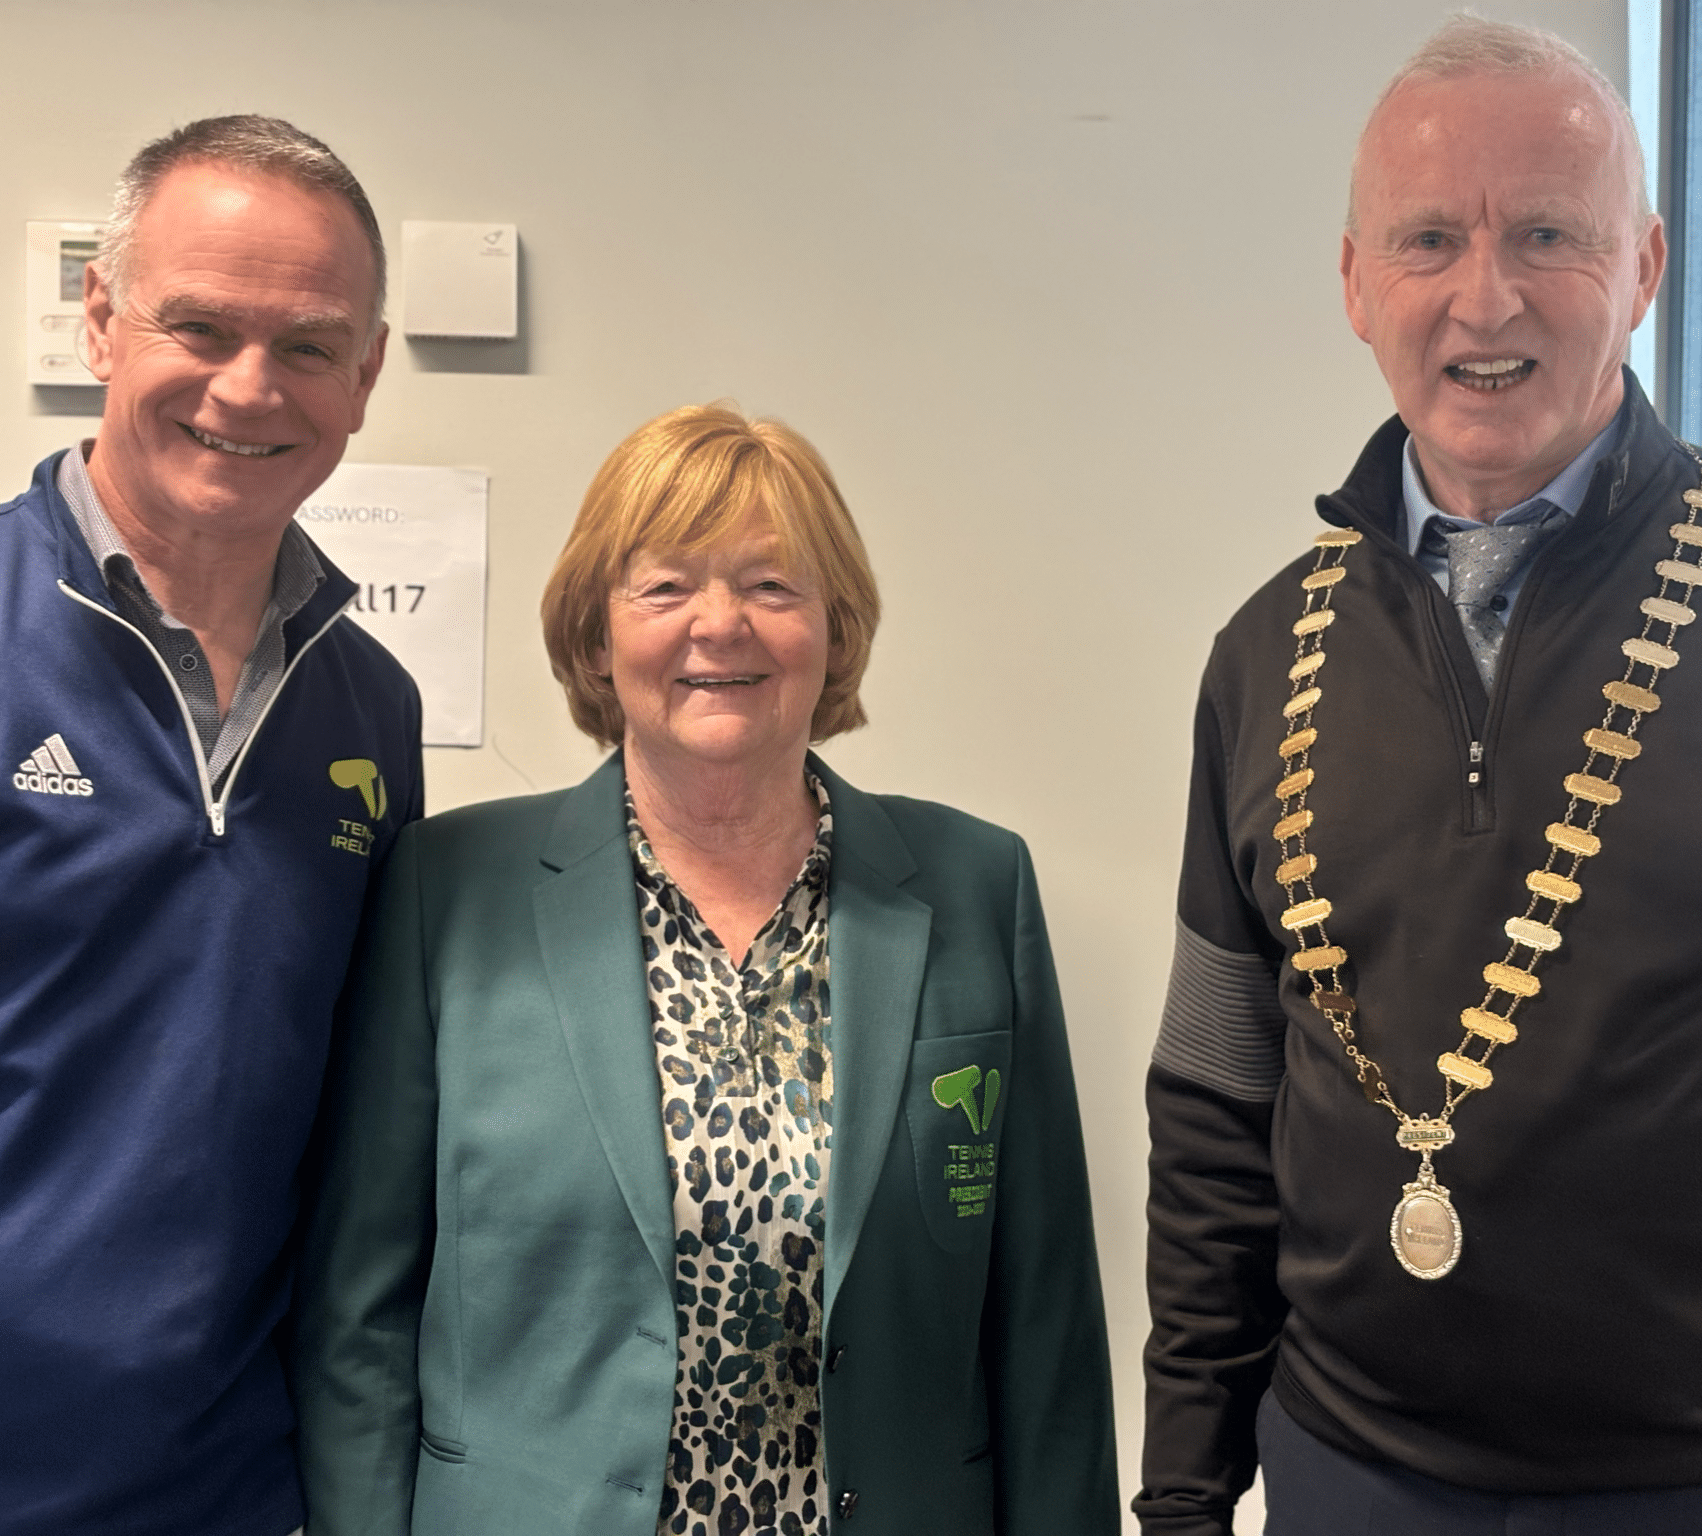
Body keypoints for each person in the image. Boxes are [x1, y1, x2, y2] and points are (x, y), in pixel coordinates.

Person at [1138, 17, 1702, 1535]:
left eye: (1548, 233)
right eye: (1428, 238)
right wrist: (1182, 1489)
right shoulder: (1262, 655)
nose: (1483, 297)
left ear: (1645, 267)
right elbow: (1219, 1098)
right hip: (1357, 1476)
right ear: (1356, 284)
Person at [290, 403, 1116, 1535]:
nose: (719, 624)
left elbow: (1045, 1314)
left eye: (772, 586)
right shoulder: (449, 889)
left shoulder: (976, 887)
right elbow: (359, 1313)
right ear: (595, 638)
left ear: (835, 631)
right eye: (665, 585)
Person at [0, 117, 420, 1533]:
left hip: (220, 1494)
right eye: (200, 327)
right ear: (101, 320)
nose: (249, 386)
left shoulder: (370, 709)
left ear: (366, 375)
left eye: (308, 345)